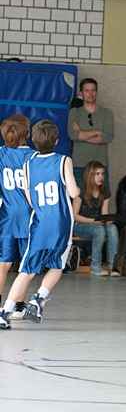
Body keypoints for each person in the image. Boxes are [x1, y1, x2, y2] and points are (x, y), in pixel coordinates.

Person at [0, 119, 80, 329]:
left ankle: (6, 310)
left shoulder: (19, 160)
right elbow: (74, 192)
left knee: (19, 268)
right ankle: (31, 301)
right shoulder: (56, 160)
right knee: (54, 265)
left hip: (27, 220)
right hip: (49, 220)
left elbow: (27, 192)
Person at [0, 114, 35, 319]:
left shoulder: (1, 154)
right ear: (27, 134)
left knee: (3, 263)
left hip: (7, 216)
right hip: (29, 217)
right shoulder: (33, 157)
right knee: (25, 265)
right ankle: (18, 305)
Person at [73, 160, 119, 277]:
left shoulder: (105, 192)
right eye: (97, 174)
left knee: (112, 228)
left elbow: (104, 213)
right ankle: (95, 267)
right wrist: (94, 222)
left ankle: (112, 266)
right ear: (89, 175)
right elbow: (74, 216)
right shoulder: (80, 191)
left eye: (102, 174)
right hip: (80, 225)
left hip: (97, 223)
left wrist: (107, 220)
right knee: (99, 230)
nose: (101, 177)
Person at [67, 78, 114, 193]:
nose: (90, 94)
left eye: (93, 90)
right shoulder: (74, 113)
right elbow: (73, 135)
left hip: (100, 165)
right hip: (80, 164)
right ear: (81, 93)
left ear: (96, 92)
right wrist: (97, 132)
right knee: (78, 200)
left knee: (102, 199)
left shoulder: (107, 113)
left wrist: (82, 134)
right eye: (87, 91)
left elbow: (107, 137)